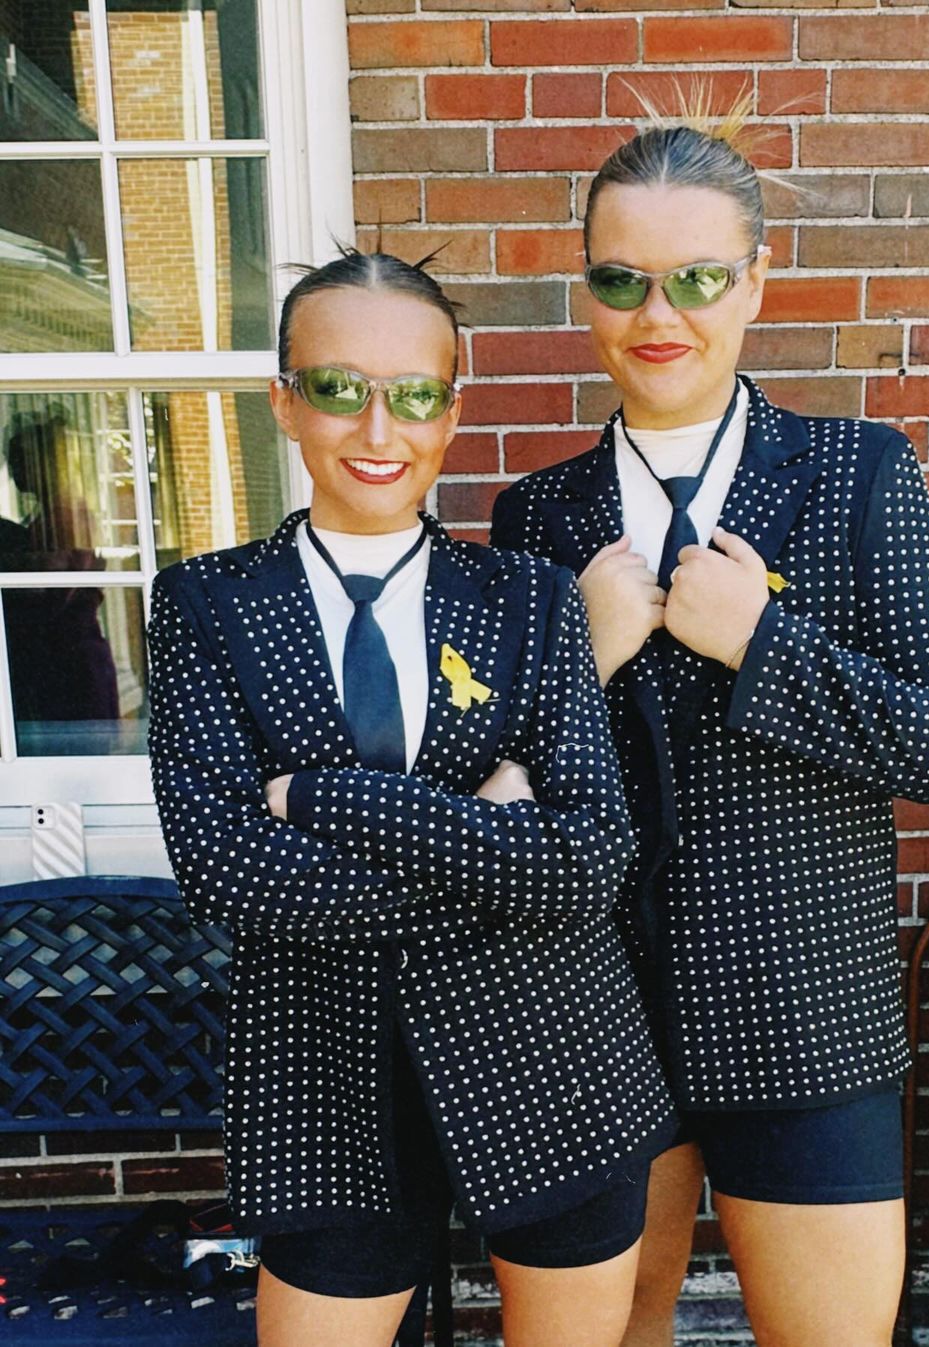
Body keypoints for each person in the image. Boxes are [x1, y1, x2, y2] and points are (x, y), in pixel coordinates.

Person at [490, 107, 929, 1347]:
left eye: (698, 278)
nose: (658, 315)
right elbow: (492, 787)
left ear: (757, 282)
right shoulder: (538, 518)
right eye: (623, 279)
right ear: (588, 291)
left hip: (805, 1012)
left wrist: (763, 643)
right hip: (593, 1007)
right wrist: (581, 659)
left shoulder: (856, 475)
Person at [147, 249, 677, 1347]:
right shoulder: (205, 603)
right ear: (284, 401)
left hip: (554, 1057)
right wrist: (492, 823)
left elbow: (587, 858)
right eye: (339, 387)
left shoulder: (531, 597)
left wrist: (323, 800)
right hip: (323, 1077)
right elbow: (227, 869)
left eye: (416, 394)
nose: (379, 428)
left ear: (452, 409)